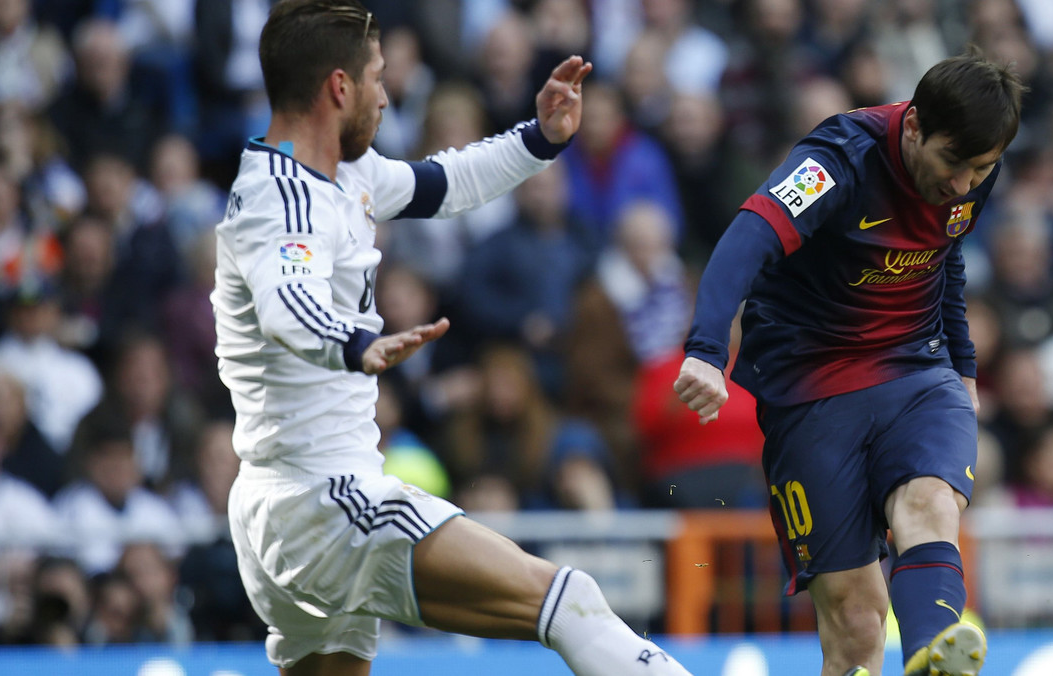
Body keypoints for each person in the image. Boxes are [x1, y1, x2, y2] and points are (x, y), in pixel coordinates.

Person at [211, 3, 693, 676]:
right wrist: (352, 344)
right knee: (569, 601)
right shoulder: (282, 198)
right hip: (324, 499)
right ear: (340, 87)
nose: (386, 96)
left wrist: (539, 138)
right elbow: (288, 304)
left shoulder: (342, 175)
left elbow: (444, 181)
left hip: (286, 509)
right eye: (377, 79)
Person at [673, 49, 1025, 676]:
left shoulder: (970, 171)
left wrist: (964, 365)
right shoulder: (836, 160)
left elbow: (945, 250)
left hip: (915, 370)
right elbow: (747, 237)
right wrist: (704, 350)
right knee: (856, 624)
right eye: (953, 162)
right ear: (913, 125)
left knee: (930, 504)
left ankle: (931, 661)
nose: (964, 185)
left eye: (981, 169)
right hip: (811, 388)